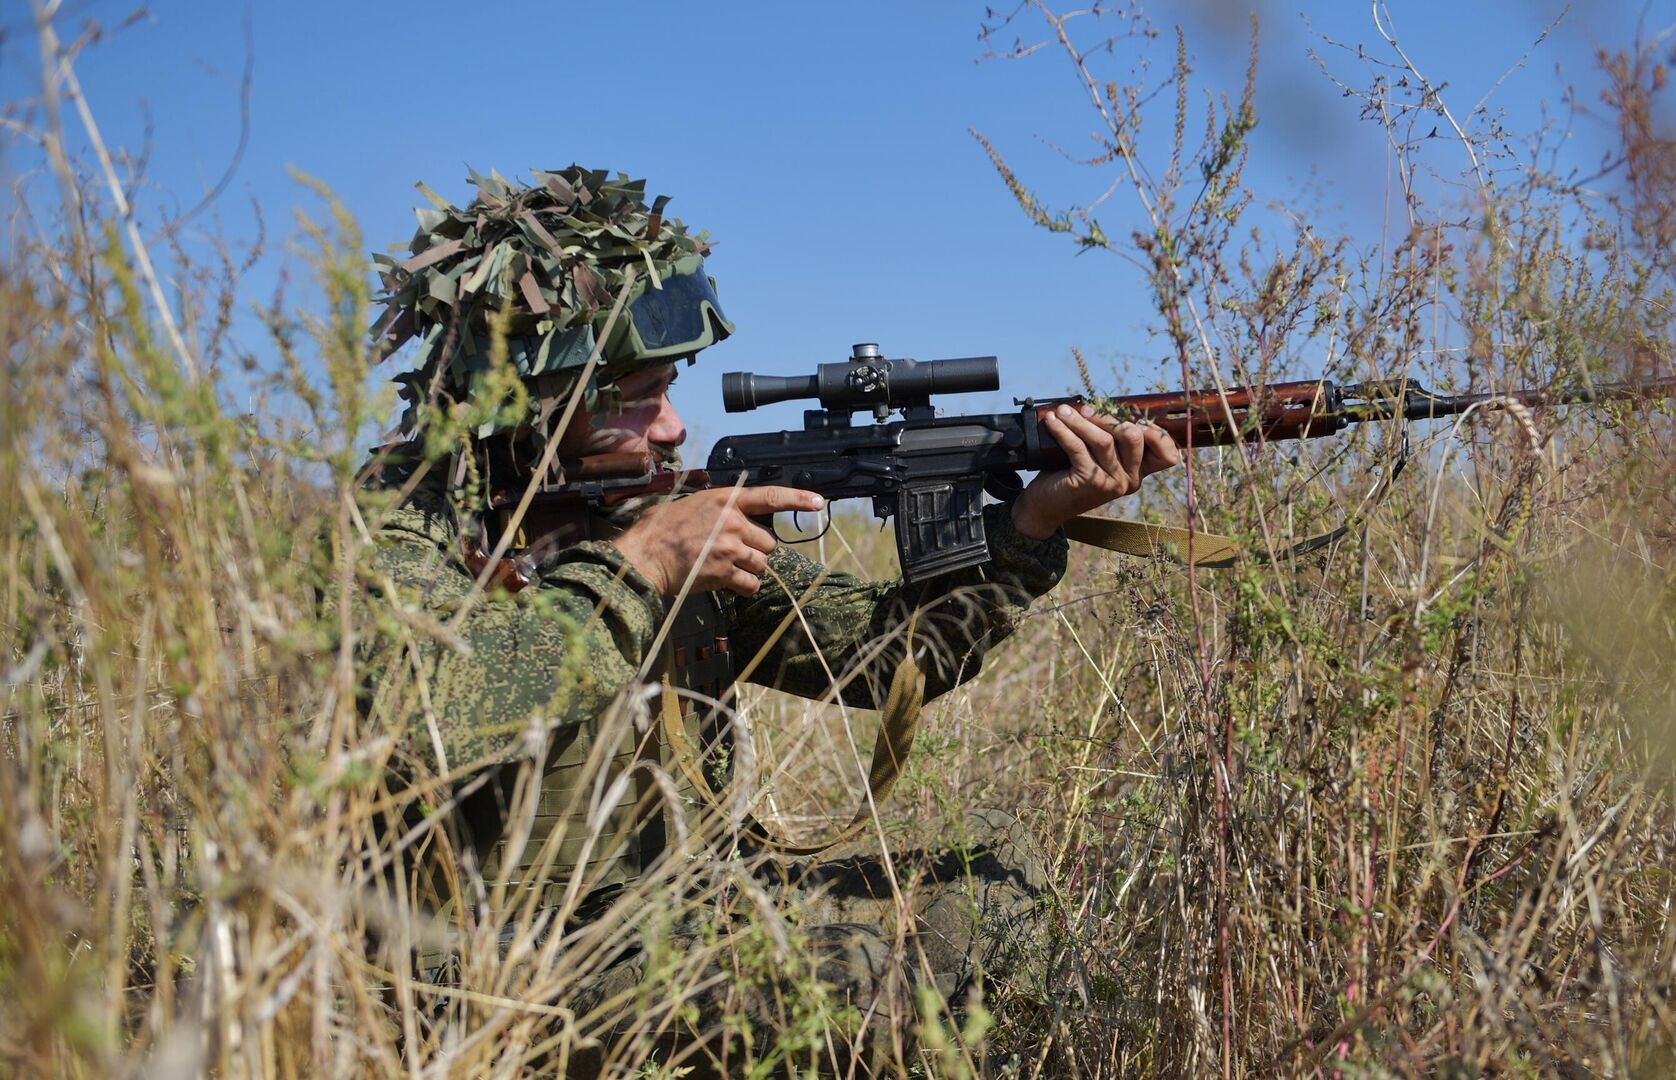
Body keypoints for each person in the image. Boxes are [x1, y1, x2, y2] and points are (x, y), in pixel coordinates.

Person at [356, 167, 1179, 1074]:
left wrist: (1027, 528)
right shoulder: (403, 527)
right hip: (490, 963)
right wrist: (639, 570)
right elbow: (430, 719)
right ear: (529, 390)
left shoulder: (641, 509)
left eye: (669, 390)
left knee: (998, 883)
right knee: (860, 981)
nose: (673, 426)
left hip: (686, 912)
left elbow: (878, 663)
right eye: (636, 396)